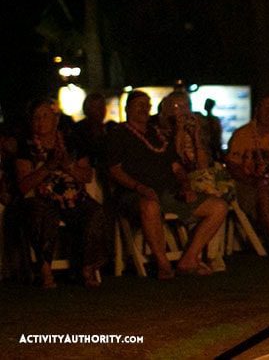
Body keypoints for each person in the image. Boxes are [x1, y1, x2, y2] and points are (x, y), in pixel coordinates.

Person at [107, 91, 229, 278]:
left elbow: (176, 166)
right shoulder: (118, 134)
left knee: (218, 207)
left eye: (147, 104)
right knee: (150, 205)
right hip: (136, 193)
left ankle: (188, 259)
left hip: (168, 191)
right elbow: (115, 170)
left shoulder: (156, 134)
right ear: (127, 108)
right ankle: (163, 264)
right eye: (139, 104)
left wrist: (185, 185)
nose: (144, 108)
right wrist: (139, 187)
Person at [14, 99, 107, 288]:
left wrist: (68, 166)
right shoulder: (26, 146)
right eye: (36, 117)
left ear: (56, 119)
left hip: (73, 196)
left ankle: (87, 268)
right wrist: (47, 168)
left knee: (95, 211)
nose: (41, 121)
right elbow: (23, 186)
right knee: (38, 211)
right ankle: (45, 270)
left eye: (45, 116)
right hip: (42, 198)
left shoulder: (72, 141)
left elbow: (87, 175)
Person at [227, 96, 269, 257]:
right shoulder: (243, 134)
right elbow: (232, 165)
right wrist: (252, 180)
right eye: (266, 109)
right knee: (263, 193)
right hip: (247, 184)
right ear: (257, 111)